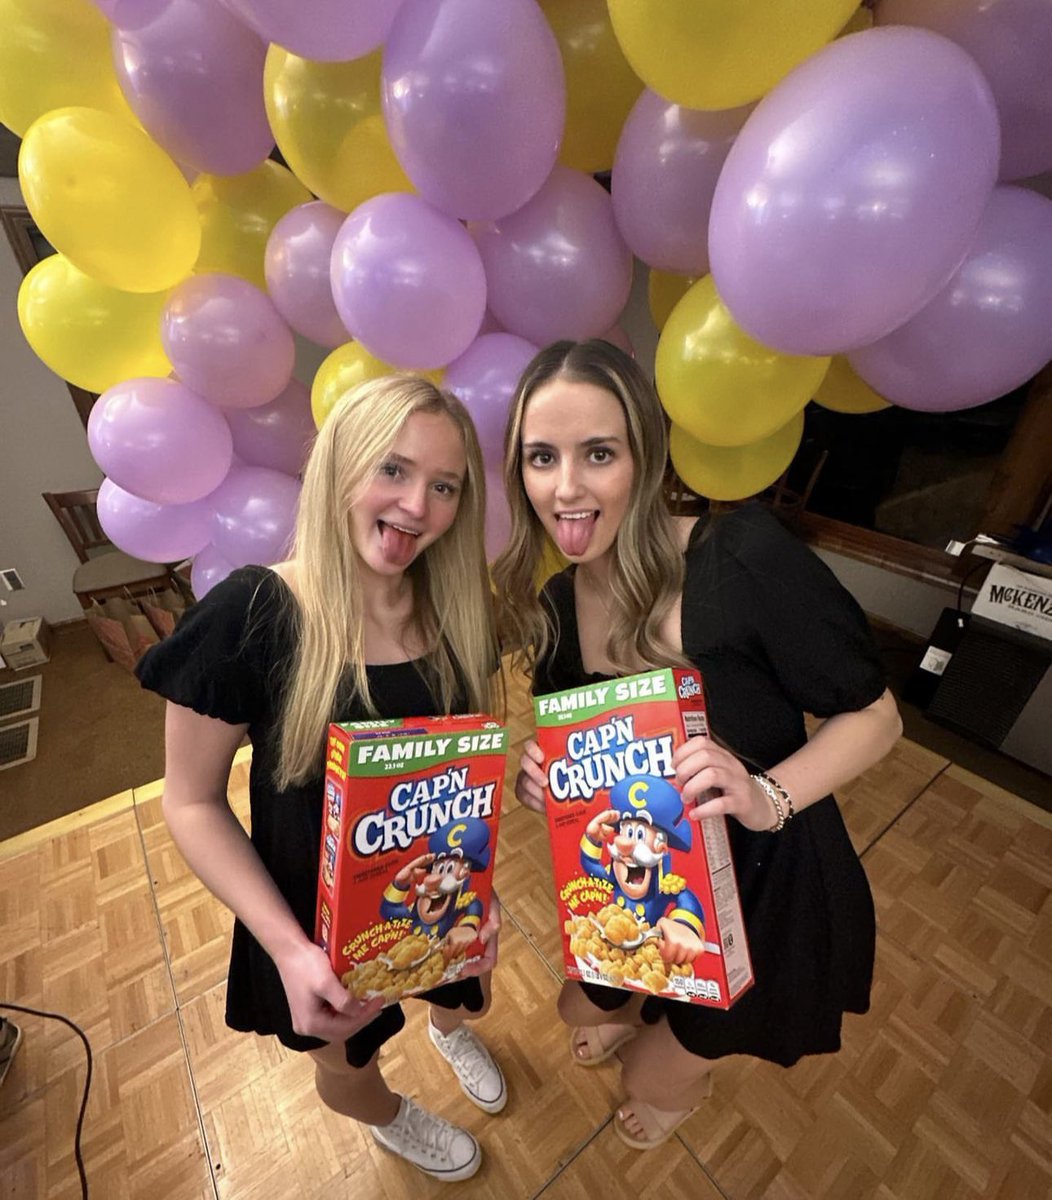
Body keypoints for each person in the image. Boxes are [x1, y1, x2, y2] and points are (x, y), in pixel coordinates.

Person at [493, 339, 902, 1151]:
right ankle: (642, 1011)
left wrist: (764, 795)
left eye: (598, 453)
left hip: (763, 878)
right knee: (577, 1007)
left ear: (644, 457)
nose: (565, 487)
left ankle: (678, 1086)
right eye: (542, 457)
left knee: (652, 1078)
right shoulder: (556, 603)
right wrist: (539, 777)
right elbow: (575, 748)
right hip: (639, 885)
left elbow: (878, 716)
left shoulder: (741, 558)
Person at [137, 375, 506, 1183]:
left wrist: (481, 890)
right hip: (310, 923)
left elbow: (464, 779)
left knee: (463, 994)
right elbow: (190, 802)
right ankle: (391, 1118)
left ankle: (448, 1031)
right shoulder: (252, 613)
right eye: (393, 470)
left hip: (438, 898)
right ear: (340, 466)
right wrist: (288, 950)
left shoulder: (457, 610)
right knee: (348, 1064)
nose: (417, 506)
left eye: (445, 486)